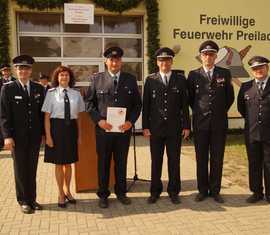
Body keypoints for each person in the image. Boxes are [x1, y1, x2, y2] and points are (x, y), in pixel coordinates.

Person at [86, 46, 142, 208]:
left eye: (117, 59)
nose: (114, 62)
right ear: (106, 61)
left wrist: (130, 122)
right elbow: (89, 103)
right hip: (104, 130)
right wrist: (99, 121)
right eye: (111, 59)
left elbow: (137, 105)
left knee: (121, 162)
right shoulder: (96, 79)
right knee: (103, 162)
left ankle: (121, 192)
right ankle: (103, 194)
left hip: (123, 130)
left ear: (121, 61)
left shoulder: (130, 79)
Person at [187, 40, 234, 203]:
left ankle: (215, 190)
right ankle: (202, 190)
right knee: (201, 158)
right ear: (201, 57)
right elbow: (191, 98)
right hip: (200, 124)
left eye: (211, 54)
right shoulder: (193, 75)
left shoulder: (224, 73)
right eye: (205, 54)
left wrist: (218, 113)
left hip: (219, 124)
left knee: (217, 158)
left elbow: (229, 98)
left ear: (215, 57)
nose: (208, 57)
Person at [142, 47, 190, 204]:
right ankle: (155, 191)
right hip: (155, 128)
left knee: (174, 161)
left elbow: (184, 105)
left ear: (171, 62)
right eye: (161, 60)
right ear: (157, 62)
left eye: (167, 60)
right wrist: (145, 126)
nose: (165, 63)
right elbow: (146, 105)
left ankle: (174, 191)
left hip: (174, 128)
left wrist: (186, 126)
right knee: (156, 160)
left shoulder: (180, 80)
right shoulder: (150, 80)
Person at [0, 55, 45, 214]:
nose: (23, 71)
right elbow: (4, 115)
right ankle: (23, 200)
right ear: (16, 70)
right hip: (17, 138)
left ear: (31, 70)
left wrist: (44, 134)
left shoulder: (39, 88)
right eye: (20, 68)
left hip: (34, 137)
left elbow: (42, 114)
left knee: (32, 169)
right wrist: (7, 136)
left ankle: (32, 199)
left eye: (26, 68)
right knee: (20, 169)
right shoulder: (8, 88)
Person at [42, 66, 85, 208]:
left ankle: (68, 190)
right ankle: (60, 193)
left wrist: (79, 135)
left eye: (66, 75)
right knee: (59, 163)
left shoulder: (76, 94)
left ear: (70, 77)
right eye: (61, 75)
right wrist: (48, 136)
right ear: (57, 78)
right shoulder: (50, 93)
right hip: (56, 130)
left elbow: (79, 118)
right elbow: (47, 117)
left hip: (71, 130)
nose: (64, 78)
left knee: (69, 162)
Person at [237, 56, 270, 203]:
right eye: (255, 69)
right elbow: (241, 108)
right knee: (254, 163)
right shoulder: (246, 87)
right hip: (252, 132)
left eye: (261, 67)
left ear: (267, 68)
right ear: (252, 71)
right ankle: (256, 192)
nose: (258, 70)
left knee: (269, 164)